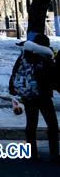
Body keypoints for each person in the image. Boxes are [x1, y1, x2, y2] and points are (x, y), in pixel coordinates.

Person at [9, 33, 58, 161]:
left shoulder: (24, 56)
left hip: (28, 95)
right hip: (43, 96)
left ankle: (32, 153)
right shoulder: (45, 59)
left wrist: (13, 90)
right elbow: (53, 79)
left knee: (31, 124)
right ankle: (54, 153)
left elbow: (15, 72)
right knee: (52, 124)